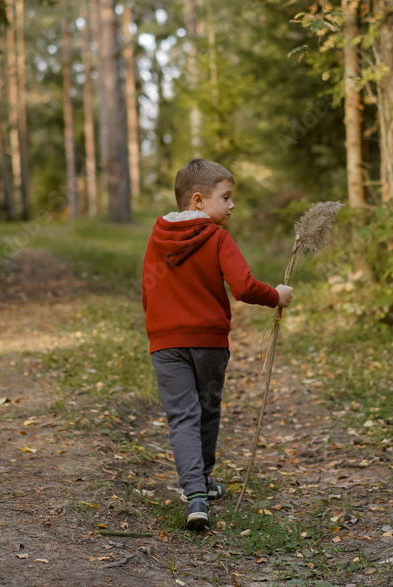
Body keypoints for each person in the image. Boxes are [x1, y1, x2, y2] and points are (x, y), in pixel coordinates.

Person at [140, 159, 293, 531]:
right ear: (198, 200)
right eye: (225, 197)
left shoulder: (158, 237)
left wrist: (160, 328)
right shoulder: (218, 238)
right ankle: (201, 483)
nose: (232, 205)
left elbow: (148, 288)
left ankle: (194, 492)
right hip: (208, 342)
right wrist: (276, 295)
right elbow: (242, 287)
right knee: (206, 409)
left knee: (182, 417)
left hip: (165, 343)